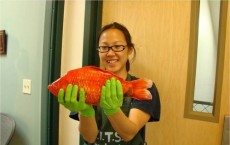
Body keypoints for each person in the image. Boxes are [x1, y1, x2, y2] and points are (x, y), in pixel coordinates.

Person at [58, 22, 161, 145]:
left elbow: (129, 134)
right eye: (104, 47)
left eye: (117, 46)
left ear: (129, 50)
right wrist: (85, 111)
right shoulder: (84, 84)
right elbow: (89, 137)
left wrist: (112, 110)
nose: (110, 53)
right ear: (99, 51)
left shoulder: (145, 88)